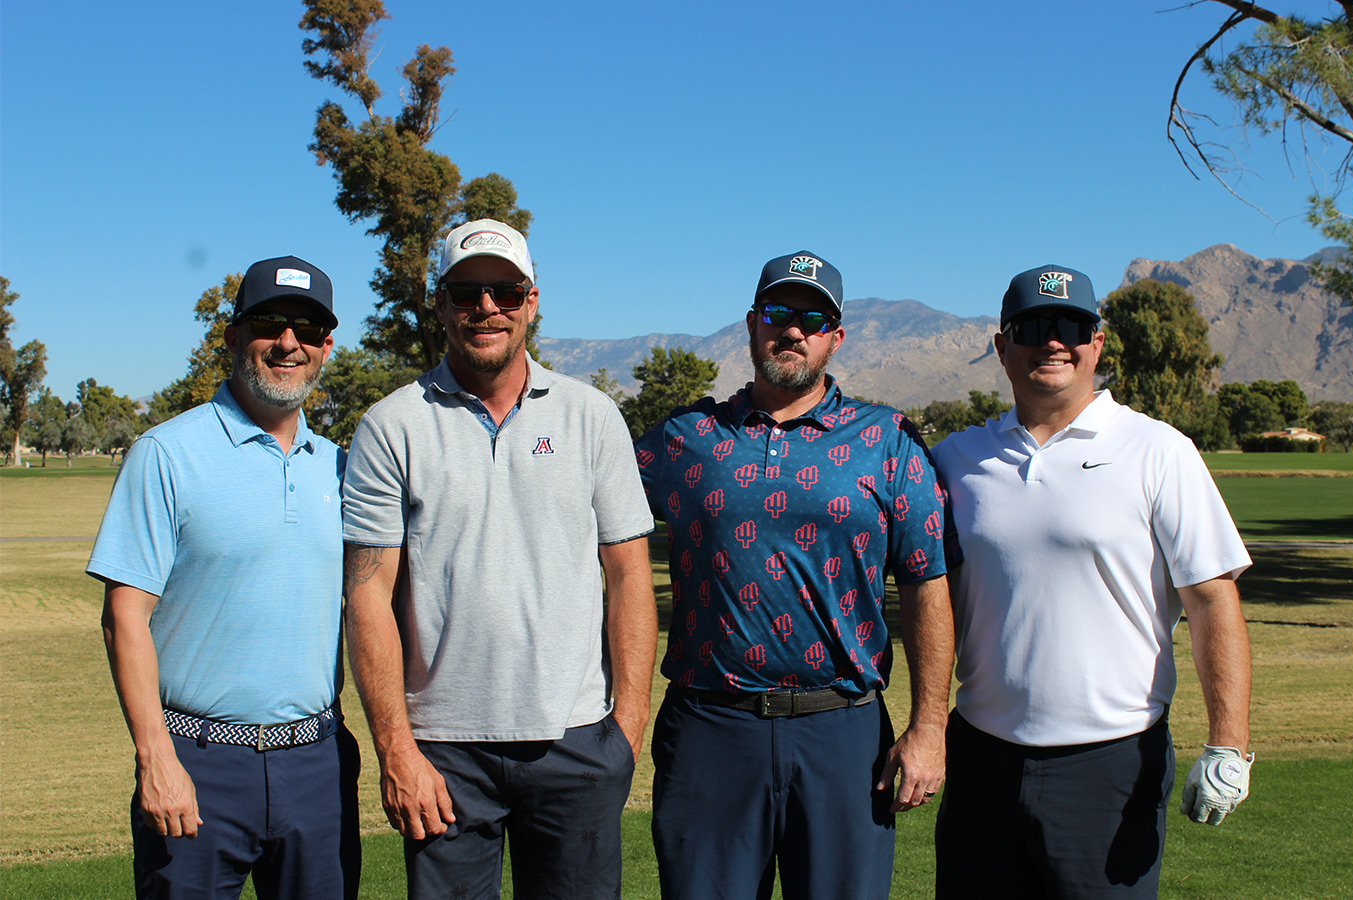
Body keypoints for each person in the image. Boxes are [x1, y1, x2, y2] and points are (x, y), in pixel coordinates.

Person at [341, 219, 657, 900]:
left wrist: (627, 730)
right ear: (440, 303)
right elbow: (367, 595)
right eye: (466, 292)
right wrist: (396, 749)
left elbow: (629, 575)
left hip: (576, 740)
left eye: (504, 291)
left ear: (531, 300)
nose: (486, 308)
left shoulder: (592, 416)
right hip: (443, 753)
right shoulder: (391, 425)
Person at [634, 251, 956, 900]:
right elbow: (595, 540)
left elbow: (928, 583)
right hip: (710, 731)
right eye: (779, 313)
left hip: (843, 734)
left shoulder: (888, 441)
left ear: (835, 337)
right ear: (752, 324)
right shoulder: (684, 440)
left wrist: (929, 725)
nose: (793, 330)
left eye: (813, 318)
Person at [931, 264, 1254, 899]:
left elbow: (1214, 601)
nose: (1053, 341)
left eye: (1071, 326)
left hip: (1109, 765)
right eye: (1033, 326)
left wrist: (1230, 744)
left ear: (1097, 344)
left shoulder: (1158, 450)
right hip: (980, 758)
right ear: (1001, 347)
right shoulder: (956, 460)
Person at [89, 256, 358, 899]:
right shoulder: (167, 453)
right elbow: (124, 616)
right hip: (197, 762)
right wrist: (156, 759)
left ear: (326, 345)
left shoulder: (342, 468)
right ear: (234, 335)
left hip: (318, 762)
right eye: (269, 322)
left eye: (307, 328)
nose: (287, 342)